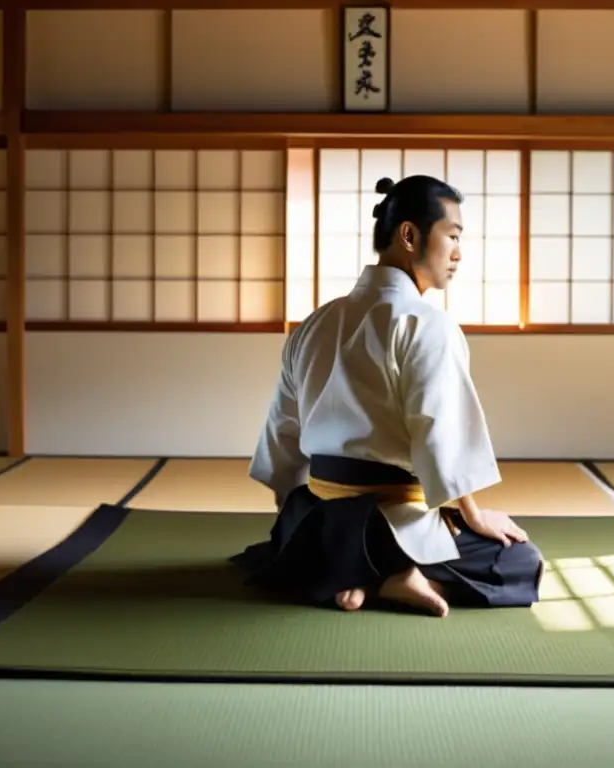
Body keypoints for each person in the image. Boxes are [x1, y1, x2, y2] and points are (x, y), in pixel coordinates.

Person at [232, 174, 544, 618]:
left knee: (302, 542)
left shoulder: (315, 323)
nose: (458, 252)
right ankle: (391, 573)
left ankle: (343, 567)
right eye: (452, 236)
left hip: (318, 515)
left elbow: (282, 431)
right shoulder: (426, 325)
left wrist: (296, 515)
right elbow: (438, 434)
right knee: (519, 561)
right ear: (410, 235)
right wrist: (474, 515)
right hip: (389, 521)